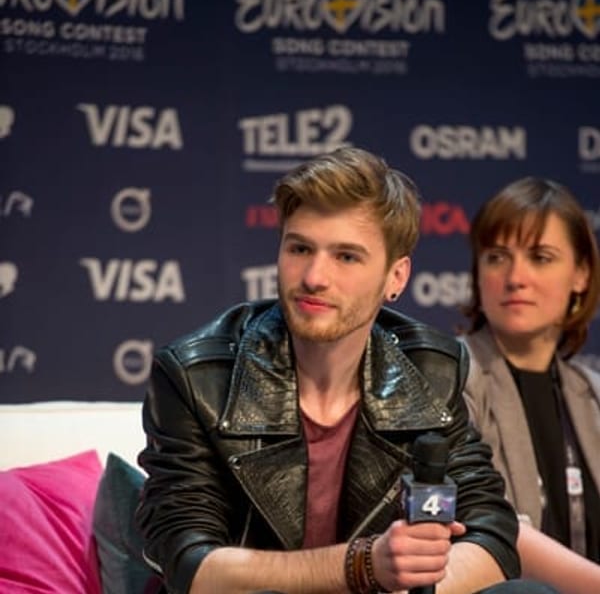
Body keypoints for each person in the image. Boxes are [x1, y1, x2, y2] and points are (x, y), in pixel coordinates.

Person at [135, 147, 557, 594]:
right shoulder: (197, 376)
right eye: (300, 248)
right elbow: (190, 565)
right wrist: (362, 566)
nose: (314, 276)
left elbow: (492, 535)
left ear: (396, 277)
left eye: (347, 257)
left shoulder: (430, 371)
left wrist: (400, 584)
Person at [460, 176, 600, 591]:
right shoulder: (449, 377)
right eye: (497, 257)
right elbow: (489, 526)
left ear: (580, 275)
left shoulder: (593, 394)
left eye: (540, 257)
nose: (516, 277)